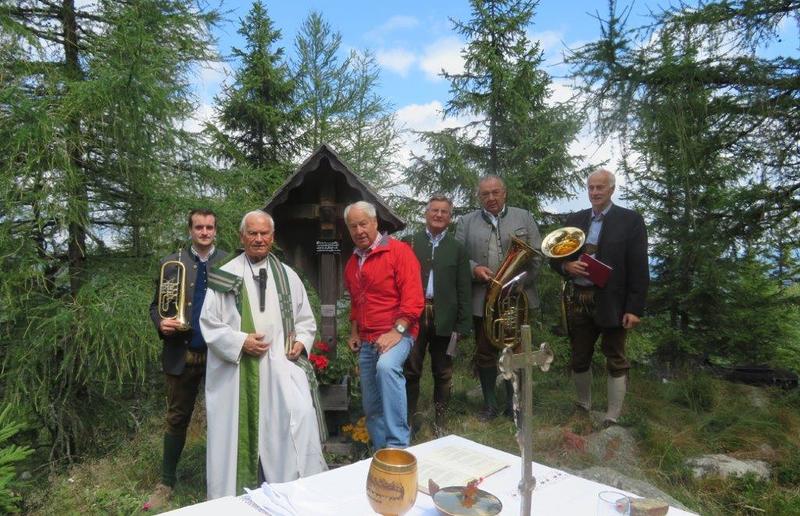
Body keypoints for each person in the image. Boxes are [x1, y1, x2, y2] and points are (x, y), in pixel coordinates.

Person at [199, 210, 327, 499]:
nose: (258, 239)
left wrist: (301, 343)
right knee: (237, 435)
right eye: (253, 233)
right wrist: (241, 341)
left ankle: (289, 493)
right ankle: (236, 497)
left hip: (280, 368)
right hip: (237, 373)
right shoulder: (225, 275)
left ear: (273, 237)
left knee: (296, 419)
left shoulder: (288, 276)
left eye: (264, 233)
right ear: (242, 236)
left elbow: (305, 320)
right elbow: (208, 322)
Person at [549, 168, 649, 426]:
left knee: (615, 357)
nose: (594, 192)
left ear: (611, 189)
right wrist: (566, 266)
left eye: (600, 187)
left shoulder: (630, 220)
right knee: (579, 356)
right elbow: (554, 257)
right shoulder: (575, 219)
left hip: (613, 301)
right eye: (591, 187)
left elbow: (639, 266)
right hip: (579, 298)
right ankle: (583, 406)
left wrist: (634, 308)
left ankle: (612, 416)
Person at [145, 209, 227, 511]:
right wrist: (161, 323)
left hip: (220, 355)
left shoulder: (229, 263)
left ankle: (221, 482)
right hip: (182, 352)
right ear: (190, 230)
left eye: (209, 227)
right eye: (199, 227)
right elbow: (155, 306)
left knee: (223, 418)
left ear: (215, 230)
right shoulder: (172, 262)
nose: (204, 232)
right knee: (177, 418)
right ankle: (166, 484)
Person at [455, 175, 542, 421]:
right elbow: (459, 257)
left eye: (495, 192)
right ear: (478, 197)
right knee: (485, 352)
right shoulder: (466, 222)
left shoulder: (524, 216)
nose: (491, 198)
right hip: (482, 298)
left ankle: (515, 405)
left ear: (504, 193)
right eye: (485, 194)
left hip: (517, 298)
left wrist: (519, 283)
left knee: (516, 351)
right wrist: (474, 269)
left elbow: (536, 256)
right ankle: (490, 405)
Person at [344, 201, 424, 449]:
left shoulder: (399, 252)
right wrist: (354, 333)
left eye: (363, 224)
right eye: (353, 226)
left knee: (387, 367)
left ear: (375, 222)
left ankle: (398, 446)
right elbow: (356, 303)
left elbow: (413, 299)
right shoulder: (352, 263)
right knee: (371, 405)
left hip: (399, 332)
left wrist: (397, 331)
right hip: (367, 339)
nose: (359, 231)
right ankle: (382, 452)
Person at [402, 195, 472, 435]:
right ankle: (409, 421)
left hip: (446, 318)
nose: (439, 215)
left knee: (443, 372)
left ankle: (440, 422)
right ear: (426, 213)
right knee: (411, 369)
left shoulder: (457, 248)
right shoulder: (410, 242)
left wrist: (463, 324)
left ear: (450, 217)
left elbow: (464, 288)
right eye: (435, 210)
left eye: (444, 212)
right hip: (414, 316)